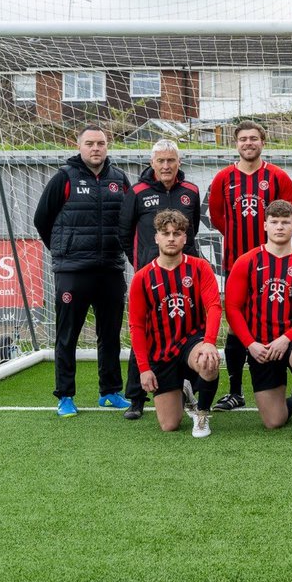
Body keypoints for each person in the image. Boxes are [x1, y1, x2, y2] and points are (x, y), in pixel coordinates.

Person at [32, 124, 131, 417]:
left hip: (111, 269)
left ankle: (110, 391)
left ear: (107, 146)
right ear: (79, 146)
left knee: (111, 333)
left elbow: (127, 221)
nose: (96, 148)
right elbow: (42, 219)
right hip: (73, 270)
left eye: (100, 143)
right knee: (68, 335)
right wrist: (64, 250)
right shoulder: (64, 178)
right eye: (90, 143)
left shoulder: (119, 179)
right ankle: (65, 396)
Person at [208, 120, 292, 413]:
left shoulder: (277, 177)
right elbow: (220, 218)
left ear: (263, 142)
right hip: (237, 264)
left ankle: (283, 376)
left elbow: (287, 216)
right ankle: (235, 391)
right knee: (236, 326)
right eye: (243, 139)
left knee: (276, 319)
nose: (248, 143)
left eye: (254, 138)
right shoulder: (223, 178)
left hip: (276, 267)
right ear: (236, 144)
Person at [224, 201, 292, 442]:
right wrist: (250, 344)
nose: (280, 227)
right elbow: (233, 308)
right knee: (274, 421)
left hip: (291, 342)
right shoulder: (246, 261)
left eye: (285, 222)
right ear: (265, 225)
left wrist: (286, 338)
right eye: (275, 222)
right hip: (260, 347)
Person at [118, 138, 202, 420]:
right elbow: (124, 233)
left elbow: (193, 231)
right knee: (144, 331)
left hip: (185, 278)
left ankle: (191, 386)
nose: (166, 166)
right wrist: (142, 264)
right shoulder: (138, 191)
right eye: (161, 161)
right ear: (151, 163)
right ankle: (136, 398)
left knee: (188, 331)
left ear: (179, 162)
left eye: (171, 160)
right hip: (151, 277)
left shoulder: (191, 190)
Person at [127, 209, 222, 438]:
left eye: (177, 233)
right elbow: (137, 326)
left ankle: (202, 414)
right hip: (161, 352)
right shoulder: (142, 277)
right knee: (169, 425)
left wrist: (209, 342)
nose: (171, 238)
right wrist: (144, 369)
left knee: (208, 360)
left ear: (185, 238)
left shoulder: (199, 268)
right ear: (156, 237)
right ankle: (185, 391)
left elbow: (214, 307)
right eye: (166, 233)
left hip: (191, 342)